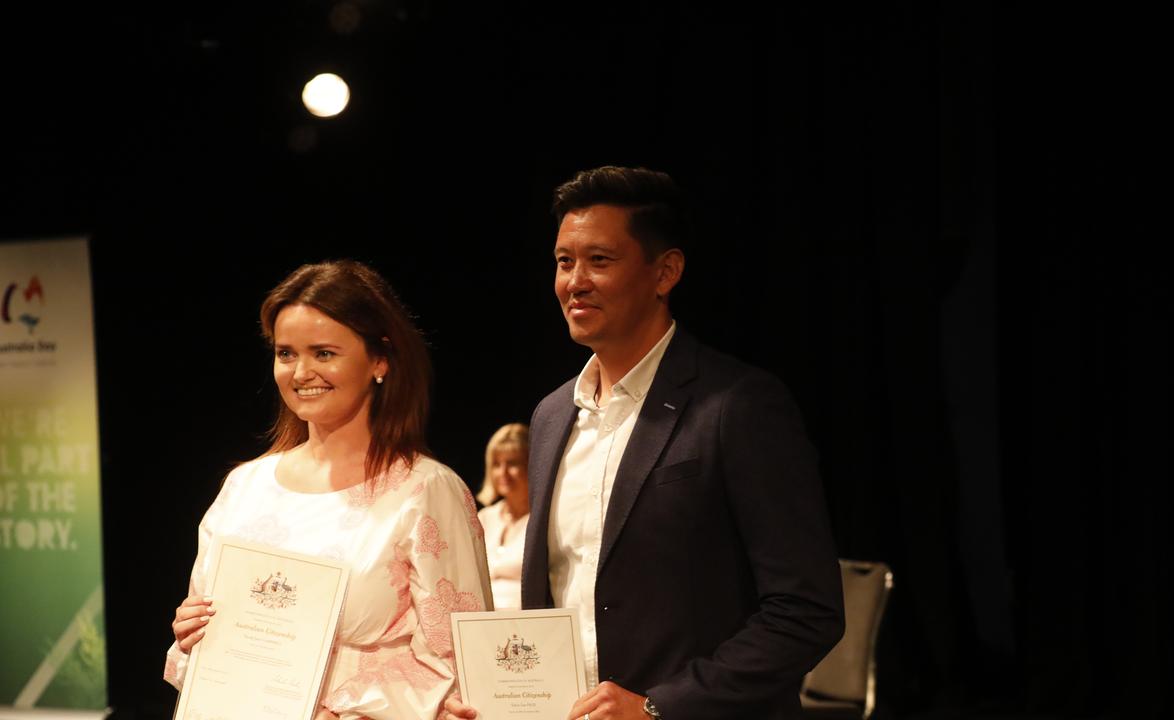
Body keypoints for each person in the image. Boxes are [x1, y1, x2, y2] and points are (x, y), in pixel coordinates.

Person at [446, 166, 844, 720]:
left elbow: (805, 610)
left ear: (666, 272)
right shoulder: (552, 414)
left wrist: (661, 706)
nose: (575, 281)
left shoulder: (738, 404)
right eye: (564, 261)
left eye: (599, 261)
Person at [166, 260, 493, 720]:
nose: (301, 372)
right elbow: (209, 637)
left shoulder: (425, 490)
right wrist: (193, 632)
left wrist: (349, 711)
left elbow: (462, 661)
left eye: (323, 353)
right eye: (285, 353)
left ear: (380, 359)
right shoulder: (246, 488)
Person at [475, 422, 531, 610]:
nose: (503, 473)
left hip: (527, 626)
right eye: (497, 464)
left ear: (531, 466)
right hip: (484, 623)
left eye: (513, 463)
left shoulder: (541, 520)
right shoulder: (484, 518)